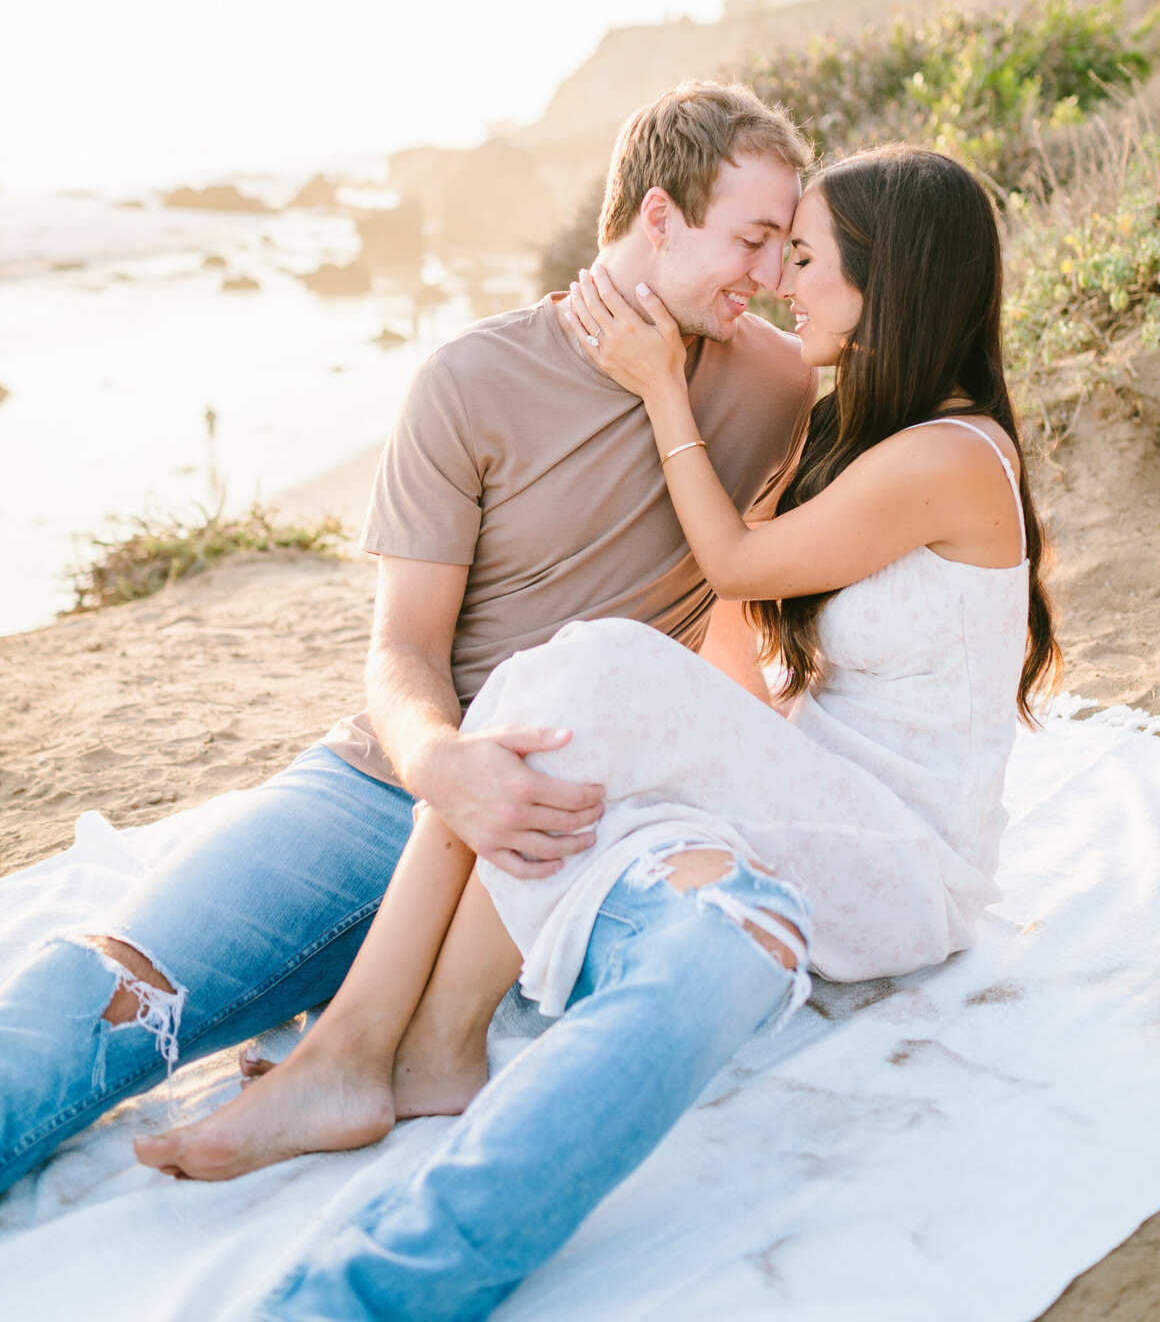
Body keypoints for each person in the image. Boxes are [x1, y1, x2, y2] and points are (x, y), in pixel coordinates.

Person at [135, 144, 1059, 1322]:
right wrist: (668, 734)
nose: (784, 284)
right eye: (775, 252)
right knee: (575, 710)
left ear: (892, 282)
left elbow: (728, 561)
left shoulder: (948, 457)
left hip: (905, 863)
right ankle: (415, 1055)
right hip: (834, 798)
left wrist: (663, 385)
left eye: (809, 259)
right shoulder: (870, 435)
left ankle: (361, 1050)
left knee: (598, 663)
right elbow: (739, 626)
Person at [0, 80, 814, 1193]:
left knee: (707, 960)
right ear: (661, 218)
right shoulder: (473, 378)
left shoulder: (774, 379)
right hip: (389, 783)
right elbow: (403, 651)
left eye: (784, 246)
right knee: (106, 992)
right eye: (754, 240)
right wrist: (444, 767)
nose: (770, 278)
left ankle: (389, 1058)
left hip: (574, 816)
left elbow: (733, 585)